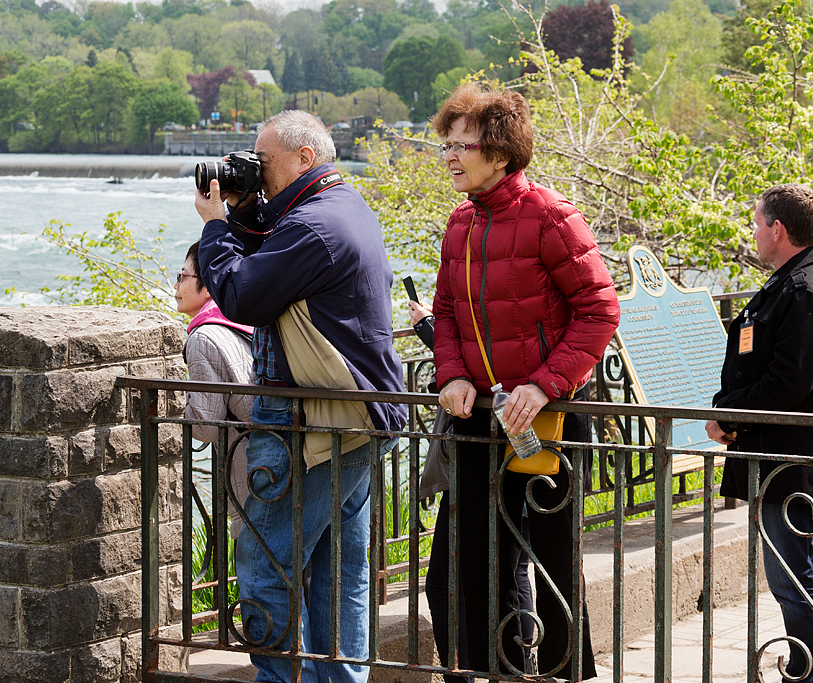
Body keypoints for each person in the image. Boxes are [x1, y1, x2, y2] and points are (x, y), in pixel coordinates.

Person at [194, 109, 408, 683]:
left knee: (266, 565)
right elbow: (272, 260)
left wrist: (215, 225)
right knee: (342, 573)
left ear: (304, 158)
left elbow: (241, 294)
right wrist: (243, 213)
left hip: (306, 425)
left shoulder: (313, 227)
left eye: (263, 162)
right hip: (354, 420)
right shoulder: (344, 208)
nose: (256, 171)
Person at [430, 83, 620, 679]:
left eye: (466, 146)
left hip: (548, 419)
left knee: (556, 565)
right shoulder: (459, 225)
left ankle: (568, 674)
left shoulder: (551, 215)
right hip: (480, 421)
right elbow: (446, 316)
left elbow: (600, 309)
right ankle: (499, 672)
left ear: (503, 153)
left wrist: (545, 384)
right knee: (475, 563)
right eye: (448, 145)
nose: (451, 157)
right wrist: (454, 375)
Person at [706, 184, 813, 683]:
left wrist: (730, 415)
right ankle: (809, 669)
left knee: (792, 574)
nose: (754, 232)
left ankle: (812, 673)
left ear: (778, 230)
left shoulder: (804, 292)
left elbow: (789, 383)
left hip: (790, 459)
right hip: (774, 455)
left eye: (757, 223)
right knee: (787, 571)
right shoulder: (787, 283)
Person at [409, 298, 535, 681]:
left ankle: (474, 675)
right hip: (525, 444)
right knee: (514, 572)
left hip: (490, 445)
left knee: (448, 583)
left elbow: (482, 359)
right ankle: (518, 671)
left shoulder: (484, 278)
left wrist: (431, 330)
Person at [175, 241, 255, 539]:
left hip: (253, 478)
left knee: (262, 572)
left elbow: (205, 427)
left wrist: (174, 401)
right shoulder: (244, 318)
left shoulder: (204, 338)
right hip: (281, 462)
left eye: (183, 277)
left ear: (208, 287)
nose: (176, 285)